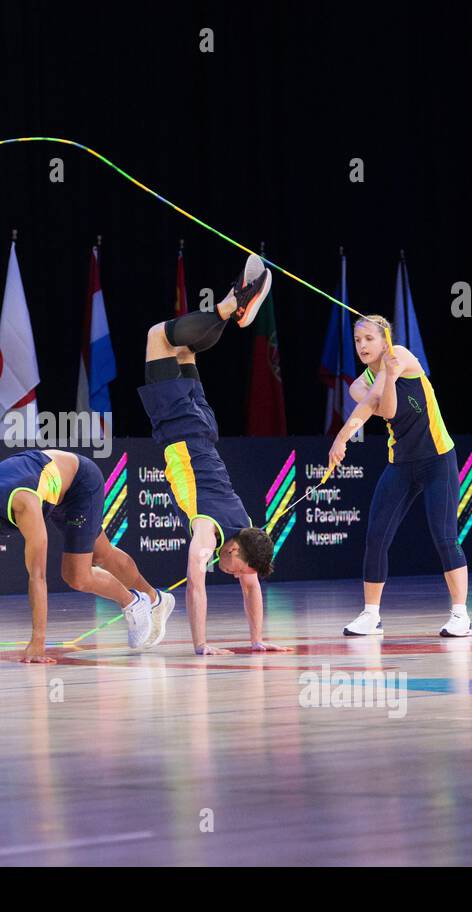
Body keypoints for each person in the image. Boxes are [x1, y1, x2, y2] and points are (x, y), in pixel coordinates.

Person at [137, 254, 290, 655]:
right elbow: (194, 584)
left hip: (204, 428)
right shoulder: (208, 535)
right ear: (235, 550)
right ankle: (229, 306)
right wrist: (202, 646)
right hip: (182, 431)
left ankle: (234, 307)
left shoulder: (247, 528)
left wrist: (257, 640)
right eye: (237, 569)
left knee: (185, 348)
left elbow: (253, 586)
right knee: (159, 335)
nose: (235, 575)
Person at [0, 449, 173, 663]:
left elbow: (37, 576)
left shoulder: (22, 503)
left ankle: (133, 602)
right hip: (53, 492)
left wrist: (37, 643)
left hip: (80, 484)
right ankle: (156, 599)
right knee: (103, 554)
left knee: (76, 575)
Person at [329, 314, 470, 638]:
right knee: (377, 535)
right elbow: (386, 408)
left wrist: (343, 435)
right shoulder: (358, 386)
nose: (362, 345)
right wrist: (343, 436)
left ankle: (461, 614)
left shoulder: (402, 355)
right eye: (357, 340)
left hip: (438, 460)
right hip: (401, 464)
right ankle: (371, 615)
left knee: (445, 536)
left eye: (369, 339)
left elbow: (384, 402)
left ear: (385, 340)